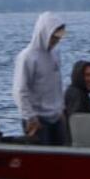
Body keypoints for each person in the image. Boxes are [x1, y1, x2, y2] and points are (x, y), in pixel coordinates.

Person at [12, 12, 67, 145]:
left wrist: (61, 109)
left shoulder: (55, 54)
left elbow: (57, 85)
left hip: (56, 118)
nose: (56, 41)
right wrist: (30, 117)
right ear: (44, 33)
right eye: (54, 37)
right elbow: (19, 90)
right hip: (37, 120)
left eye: (58, 38)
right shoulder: (27, 57)